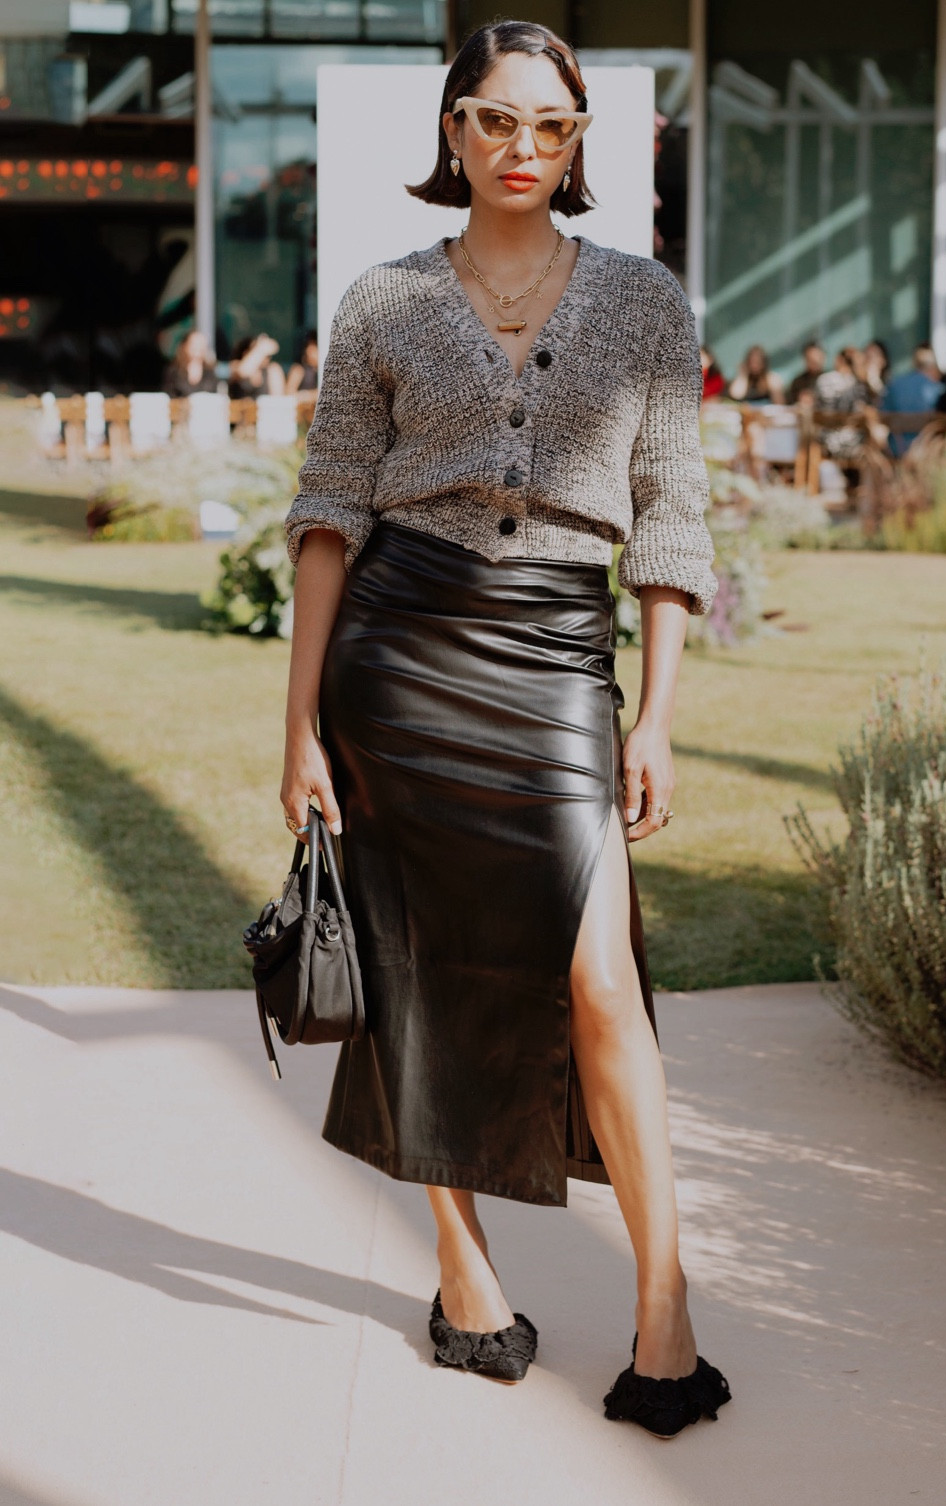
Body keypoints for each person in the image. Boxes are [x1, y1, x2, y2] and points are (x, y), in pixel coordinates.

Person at [278, 20, 730, 1440]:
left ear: (582, 138)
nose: (521, 147)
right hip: (399, 658)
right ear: (453, 131)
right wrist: (298, 724)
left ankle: (664, 1301)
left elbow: (671, 511)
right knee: (418, 968)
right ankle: (462, 1268)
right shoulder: (385, 299)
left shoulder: (646, 302)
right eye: (494, 120)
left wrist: (655, 712)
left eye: (550, 124)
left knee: (599, 978)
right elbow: (329, 506)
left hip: (551, 656)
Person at [879, 342, 943, 455]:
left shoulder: (895, 384)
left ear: (914, 362)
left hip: (898, 449)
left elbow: (883, 414)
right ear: (933, 366)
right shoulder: (937, 389)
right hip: (926, 450)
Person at [814, 345, 871, 462]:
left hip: (827, 438)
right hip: (852, 440)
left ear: (838, 360)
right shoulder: (858, 384)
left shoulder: (823, 379)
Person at [227, 332, 286, 399]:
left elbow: (278, 397)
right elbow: (242, 371)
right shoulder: (236, 366)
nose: (265, 357)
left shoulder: (272, 370)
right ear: (245, 353)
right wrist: (260, 349)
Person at [163, 328, 218, 397]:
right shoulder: (174, 371)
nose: (198, 347)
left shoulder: (210, 371)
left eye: (201, 344)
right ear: (185, 346)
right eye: (194, 344)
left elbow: (214, 394)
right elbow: (169, 395)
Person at [787, 338, 826, 405]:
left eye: (817, 358)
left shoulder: (831, 380)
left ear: (823, 357)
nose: (815, 361)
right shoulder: (798, 382)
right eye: (811, 359)